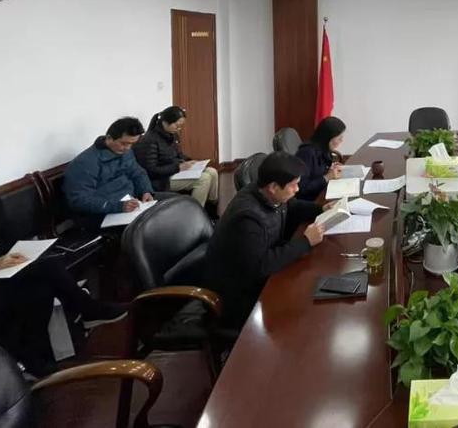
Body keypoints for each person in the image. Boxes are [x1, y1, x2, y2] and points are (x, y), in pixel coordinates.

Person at [0, 154, 127, 377]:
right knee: (46, 271)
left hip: (2, 273)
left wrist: (18, 254)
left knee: (41, 288)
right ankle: (85, 309)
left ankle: (37, 359)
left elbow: (10, 238)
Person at [204, 152, 326, 327]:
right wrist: (305, 242)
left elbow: (291, 206)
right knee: (305, 305)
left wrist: (321, 210)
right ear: (273, 187)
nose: (297, 190)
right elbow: (261, 266)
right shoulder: (247, 218)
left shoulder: (265, 192)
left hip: (258, 275)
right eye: (293, 185)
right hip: (237, 294)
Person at [63, 117, 154, 226]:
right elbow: (79, 200)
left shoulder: (125, 152)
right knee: (151, 226)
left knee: (168, 206)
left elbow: (138, 173)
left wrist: (145, 191)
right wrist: (118, 206)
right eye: (124, 143)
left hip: (131, 202)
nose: (128, 148)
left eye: (132, 144)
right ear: (109, 138)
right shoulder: (85, 163)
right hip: (103, 213)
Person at [133, 106, 218, 208]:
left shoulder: (171, 135)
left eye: (180, 126)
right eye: (177, 126)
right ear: (165, 122)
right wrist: (178, 167)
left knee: (212, 171)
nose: (179, 129)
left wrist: (191, 161)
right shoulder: (150, 140)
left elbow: (179, 154)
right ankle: (194, 212)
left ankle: (212, 205)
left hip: (175, 171)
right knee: (204, 179)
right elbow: (151, 170)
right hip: (161, 179)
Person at [295, 116, 346, 201]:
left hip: (323, 191)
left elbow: (319, 169)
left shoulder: (324, 148)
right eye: (339, 138)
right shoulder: (306, 153)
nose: (341, 141)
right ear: (328, 138)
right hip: (312, 200)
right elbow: (302, 188)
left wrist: (331, 168)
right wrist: (327, 177)